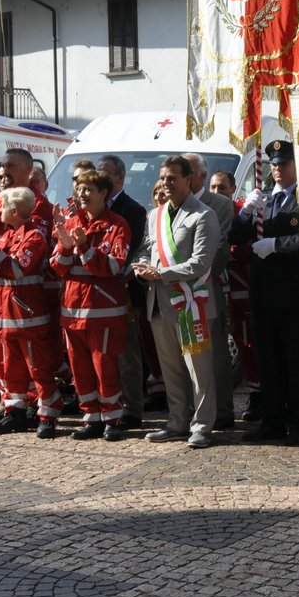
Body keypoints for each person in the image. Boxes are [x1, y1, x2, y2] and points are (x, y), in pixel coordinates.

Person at [228, 140, 299, 445]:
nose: (278, 169)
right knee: (268, 359)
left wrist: (277, 245)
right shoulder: (265, 199)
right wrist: (247, 211)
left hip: (296, 293)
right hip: (264, 292)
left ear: (296, 165)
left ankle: (298, 422)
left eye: (283, 163)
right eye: (273, 164)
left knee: (297, 360)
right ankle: (272, 420)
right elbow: (235, 235)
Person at [132, 156, 220, 448]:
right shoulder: (154, 215)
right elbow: (146, 249)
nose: (167, 184)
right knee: (170, 369)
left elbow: (201, 262)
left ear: (188, 179)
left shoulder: (203, 215)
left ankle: (202, 425)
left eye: (173, 178)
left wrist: (161, 273)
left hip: (191, 304)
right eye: (164, 178)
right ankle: (177, 422)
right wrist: (142, 266)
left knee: (199, 370)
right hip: (158, 302)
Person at [53, 168, 132, 440]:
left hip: (104, 312)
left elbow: (113, 266)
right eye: (80, 188)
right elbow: (58, 268)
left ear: (103, 193)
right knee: (80, 370)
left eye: (89, 189)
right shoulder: (73, 222)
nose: (82, 194)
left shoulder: (117, 225)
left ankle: (113, 418)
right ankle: (92, 419)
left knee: (104, 367)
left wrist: (85, 248)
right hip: (72, 312)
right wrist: (64, 246)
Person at [0, 187, 58, 436]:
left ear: (16, 210)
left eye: (4, 206)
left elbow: (17, 269)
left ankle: (48, 417)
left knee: (39, 370)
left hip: (28, 316)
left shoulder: (34, 237)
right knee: (12, 370)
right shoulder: (7, 237)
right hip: (6, 314)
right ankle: (16, 413)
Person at [182, 153, 237, 428]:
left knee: (214, 355)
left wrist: (189, 273)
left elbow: (219, 247)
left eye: (187, 170)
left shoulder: (220, 204)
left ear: (201, 175)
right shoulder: (173, 205)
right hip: (177, 292)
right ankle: (191, 411)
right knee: (188, 355)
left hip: (205, 290)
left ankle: (223, 411)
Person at [98, 154, 150, 430]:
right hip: (96, 294)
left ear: (120, 178)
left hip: (124, 290)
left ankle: (133, 407)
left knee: (127, 351)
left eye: (105, 172)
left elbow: (133, 251)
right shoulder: (92, 207)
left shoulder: (132, 210)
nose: (100, 176)